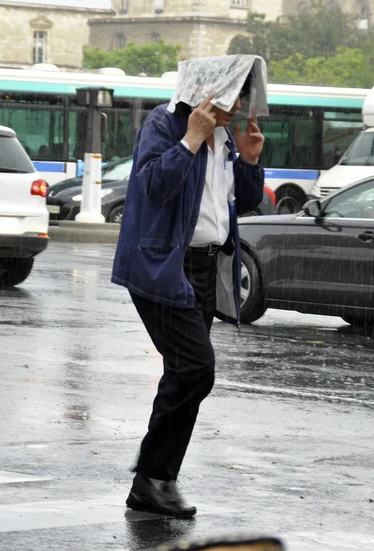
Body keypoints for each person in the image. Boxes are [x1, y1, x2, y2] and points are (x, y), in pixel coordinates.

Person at [112, 55, 267, 518]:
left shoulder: (223, 137)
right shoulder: (166, 122)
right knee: (197, 369)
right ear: (211, 87)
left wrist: (251, 160)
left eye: (245, 94)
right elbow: (154, 187)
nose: (240, 104)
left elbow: (243, 200)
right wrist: (191, 139)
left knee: (184, 372)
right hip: (163, 263)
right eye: (235, 92)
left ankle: (157, 479)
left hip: (203, 267)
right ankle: (153, 475)